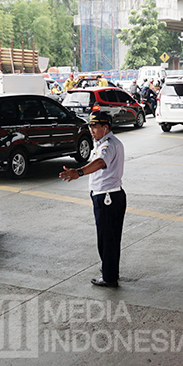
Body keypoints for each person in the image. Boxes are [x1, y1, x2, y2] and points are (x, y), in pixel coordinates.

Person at [59, 109, 126, 288]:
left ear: (105, 127)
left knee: (106, 239)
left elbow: (99, 163)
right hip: (110, 195)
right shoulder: (105, 142)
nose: (91, 130)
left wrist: (78, 172)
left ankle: (109, 276)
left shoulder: (108, 145)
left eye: (95, 127)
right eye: (90, 127)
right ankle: (110, 269)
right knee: (110, 238)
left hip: (107, 198)